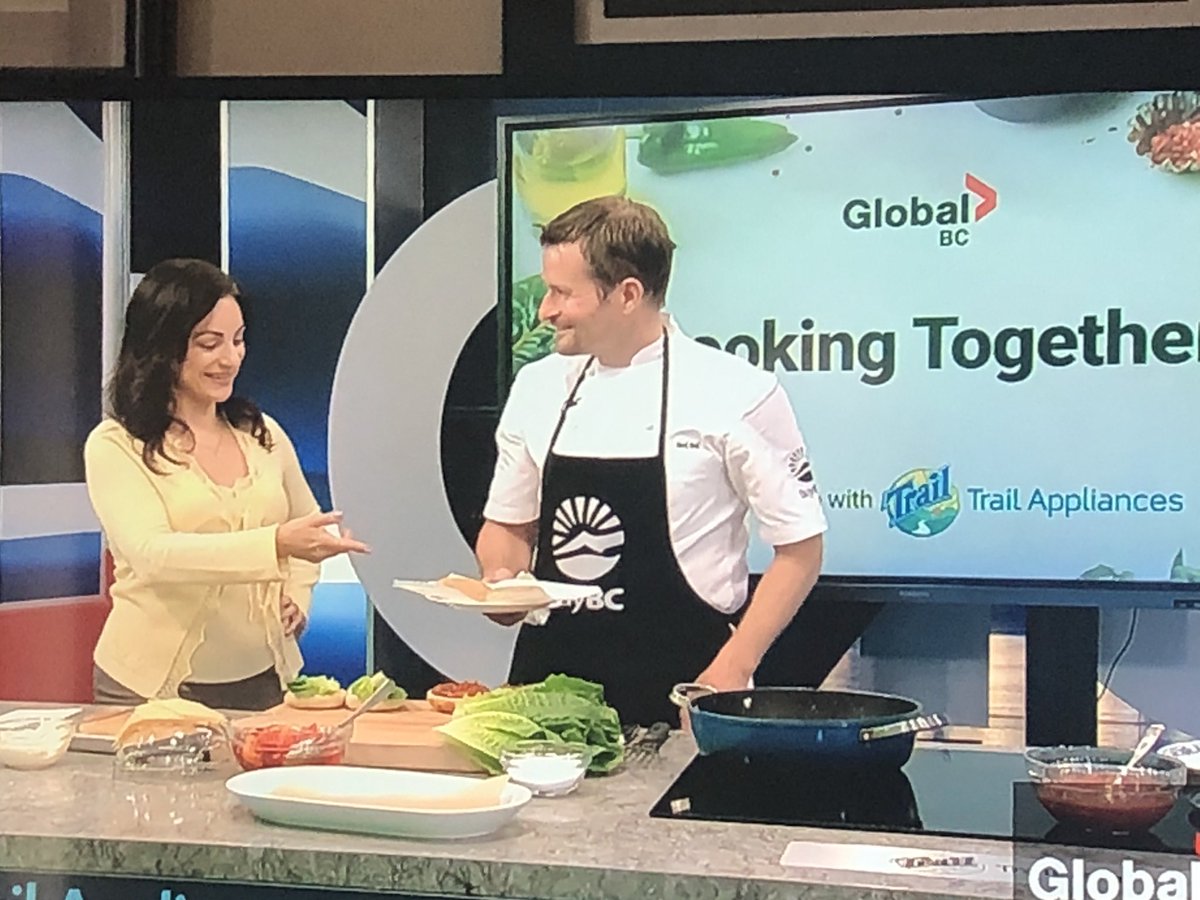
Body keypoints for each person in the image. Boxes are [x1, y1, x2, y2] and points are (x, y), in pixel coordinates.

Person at [476, 195, 828, 726]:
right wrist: (499, 578)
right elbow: (507, 524)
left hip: (684, 687)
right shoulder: (536, 386)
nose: (545, 310)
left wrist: (732, 668)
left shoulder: (738, 392)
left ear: (627, 294)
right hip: (546, 692)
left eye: (562, 293)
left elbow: (801, 550)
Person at [84, 258, 369, 711]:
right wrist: (275, 544)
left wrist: (298, 594)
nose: (230, 358)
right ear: (163, 346)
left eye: (237, 341)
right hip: (150, 689)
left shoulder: (263, 434)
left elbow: (307, 527)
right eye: (209, 343)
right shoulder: (116, 445)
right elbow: (154, 555)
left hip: (263, 682)